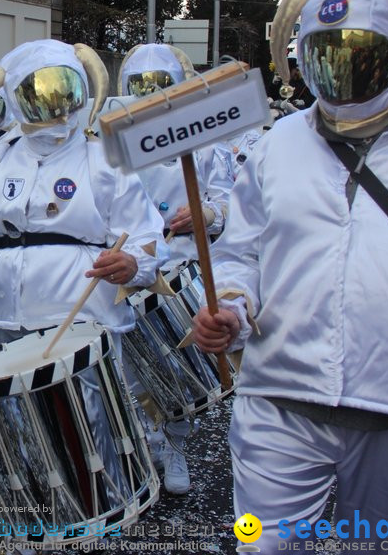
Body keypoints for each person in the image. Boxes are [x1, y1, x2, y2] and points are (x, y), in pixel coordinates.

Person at [193, 0, 388, 550]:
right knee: (260, 545)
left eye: (364, 57)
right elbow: (242, 252)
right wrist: (232, 306)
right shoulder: (275, 146)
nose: (344, 78)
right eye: (325, 58)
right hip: (277, 399)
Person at [0, 40, 166, 348]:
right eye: (39, 94)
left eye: (62, 91)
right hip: (7, 320)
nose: (53, 105)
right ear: (19, 100)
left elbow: (146, 233)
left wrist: (134, 263)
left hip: (85, 322)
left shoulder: (105, 160)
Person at [116, 43, 234, 497]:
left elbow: (231, 201)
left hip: (180, 269)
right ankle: (147, 443)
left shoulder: (203, 141)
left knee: (178, 367)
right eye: (141, 88)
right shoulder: (111, 145)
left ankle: (176, 444)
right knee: (129, 374)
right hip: (128, 274)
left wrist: (209, 213)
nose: (149, 96)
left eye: (159, 87)